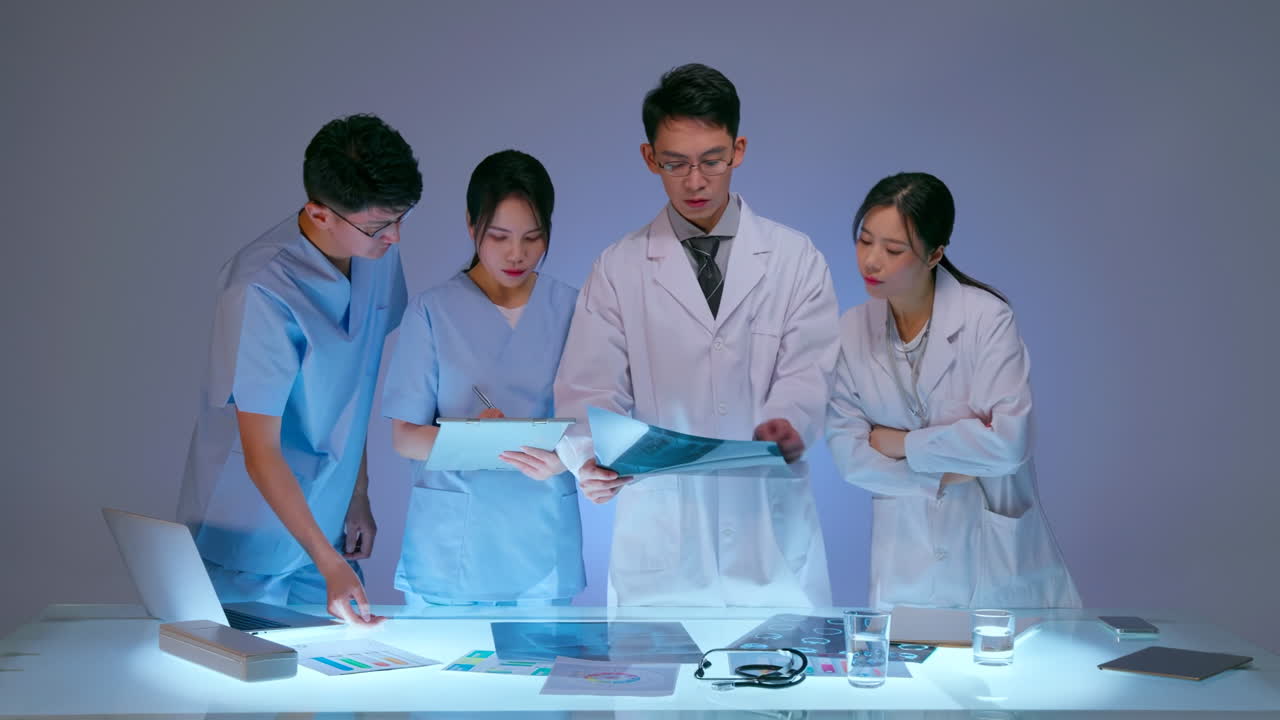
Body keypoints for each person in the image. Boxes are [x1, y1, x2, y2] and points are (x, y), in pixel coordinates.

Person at [554, 63, 839, 607]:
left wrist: (788, 421)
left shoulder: (795, 258)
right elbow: (589, 389)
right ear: (649, 158)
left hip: (769, 539)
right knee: (662, 663)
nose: (695, 181)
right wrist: (589, 457)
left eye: (711, 160)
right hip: (663, 546)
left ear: (738, 150)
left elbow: (810, 372)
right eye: (675, 163)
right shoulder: (619, 267)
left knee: (780, 661)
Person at [177, 114, 421, 624]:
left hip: (325, 522)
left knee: (336, 666)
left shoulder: (377, 255)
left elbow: (356, 387)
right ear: (319, 213)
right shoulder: (261, 290)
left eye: (401, 218)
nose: (395, 237)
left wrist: (356, 494)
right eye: (379, 225)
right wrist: (329, 561)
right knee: (245, 670)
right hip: (247, 533)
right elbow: (260, 452)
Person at [825, 172, 1081, 610]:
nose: (871, 261)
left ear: (934, 254)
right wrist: (944, 473)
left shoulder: (986, 319)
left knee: (1012, 650)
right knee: (907, 650)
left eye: (893, 250)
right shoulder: (851, 331)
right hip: (905, 564)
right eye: (864, 241)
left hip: (996, 564)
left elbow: (1009, 444)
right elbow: (850, 458)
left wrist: (901, 444)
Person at [381, 150, 585, 608]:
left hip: (541, 541)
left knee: (542, 653)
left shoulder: (574, 310)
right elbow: (405, 437)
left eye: (533, 237)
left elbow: (598, 422)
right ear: (472, 226)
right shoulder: (432, 312)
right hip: (451, 547)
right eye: (499, 237)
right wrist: (475, 440)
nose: (517, 254)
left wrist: (568, 456)